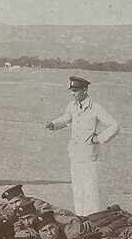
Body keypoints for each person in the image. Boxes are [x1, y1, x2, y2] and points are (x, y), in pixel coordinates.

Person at [44, 75, 120, 215]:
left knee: (90, 189)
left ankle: (91, 218)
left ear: (85, 90)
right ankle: (80, 216)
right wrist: (54, 124)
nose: (73, 94)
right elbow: (66, 118)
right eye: (72, 91)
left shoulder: (95, 108)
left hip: (89, 156)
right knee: (78, 188)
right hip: (75, 154)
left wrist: (99, 138)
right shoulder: (72, 106)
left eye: (76, 91)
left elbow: (114, 125)